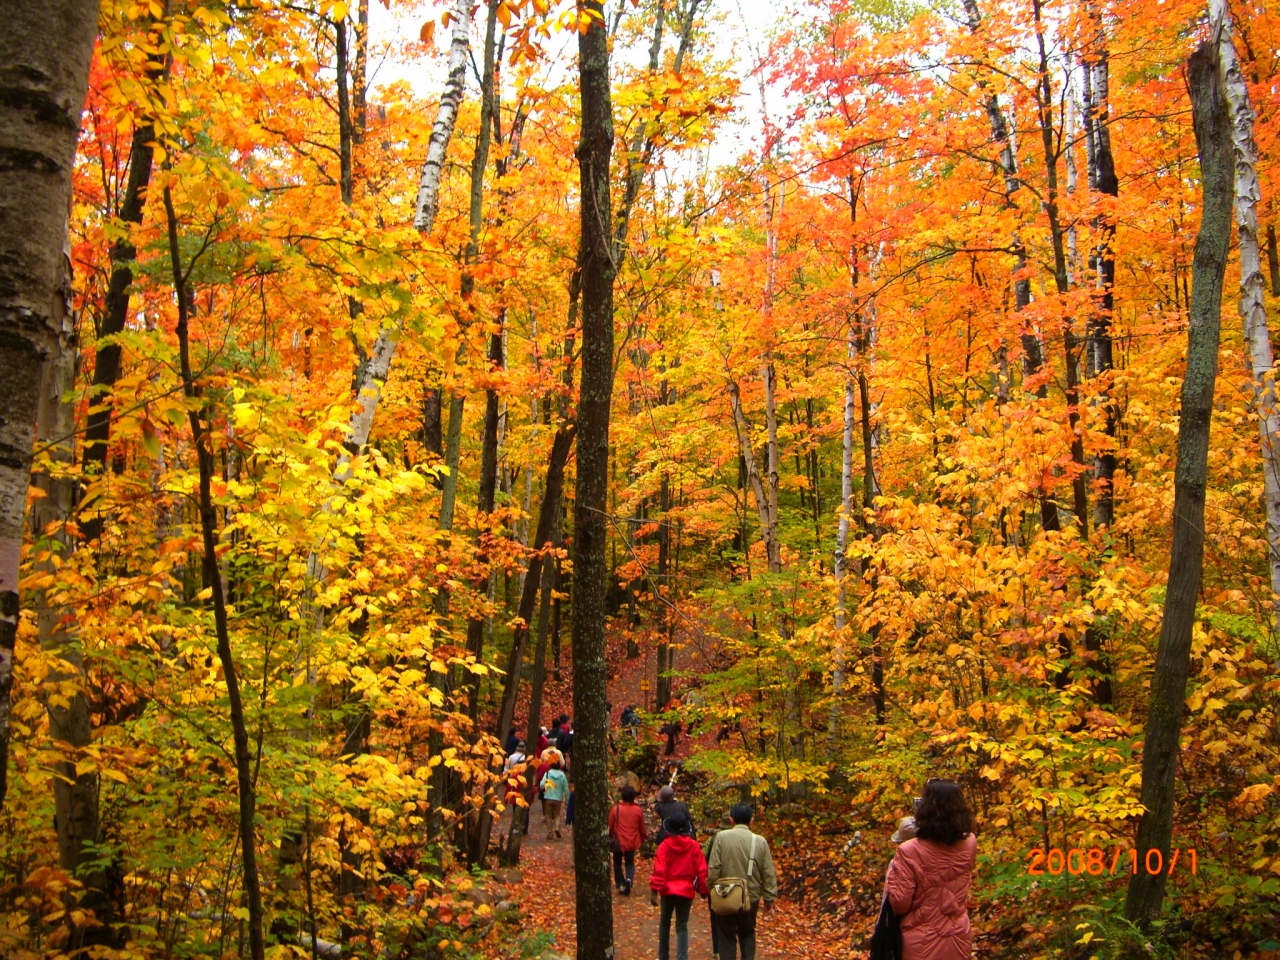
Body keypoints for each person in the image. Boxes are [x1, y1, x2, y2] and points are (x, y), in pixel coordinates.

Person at [885, 778, 977, 960]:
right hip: (958, 937)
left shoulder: (908, 850)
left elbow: (900, 903)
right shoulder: (970, 842)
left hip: (921, 942)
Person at [706, 803, 777, 960]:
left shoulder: (721, 838)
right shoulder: (760, 842)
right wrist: (769, 898)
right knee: (747, 933)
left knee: (726, 936)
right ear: (751, 821)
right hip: (750, 897)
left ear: (731, 820)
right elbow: (768, 872)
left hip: (725, 895)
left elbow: (714, 868)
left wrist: (710, 887)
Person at [649, 810, 708, 960]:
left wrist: (655, 891)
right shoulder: (694, 846)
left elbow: (659, 869)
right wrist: (703, 890)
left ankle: (663, 956)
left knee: (664, 923)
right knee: (682, 926)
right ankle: (682, 957)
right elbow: (702, 870)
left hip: (668, 891)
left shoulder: (664, 846)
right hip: (686, 891)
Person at [608, 784, 647, 894]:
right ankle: (629, 879)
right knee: (630, 862)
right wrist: (643, 838)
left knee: (617, 862)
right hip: (631, 840)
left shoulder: (616, 809)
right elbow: (642, 828)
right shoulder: (638, 810)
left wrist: (610, 835)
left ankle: (621, 883)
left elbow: (610, 825)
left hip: (619, 841)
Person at [538, 759, 569, 840]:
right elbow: (566, 788)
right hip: (558, 798)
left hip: (548, 797)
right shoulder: (562, 775)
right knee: (557, 815)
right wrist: (567, 800)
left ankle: (549, 832)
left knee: (548, 815)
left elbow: (541, 785)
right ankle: (556, 828)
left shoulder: (547, 774)